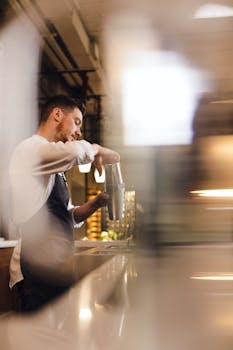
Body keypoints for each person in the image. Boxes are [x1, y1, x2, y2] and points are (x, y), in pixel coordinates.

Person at [9, 94, 120, 312]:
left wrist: (97, 203)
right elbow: (74, 152)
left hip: (55, 262)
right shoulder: (30, 149)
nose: (78, 132)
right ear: (57, 114)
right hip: (36, 264)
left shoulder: (54, 166)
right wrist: (96, 149)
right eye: (77, 122)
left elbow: (66, 217)